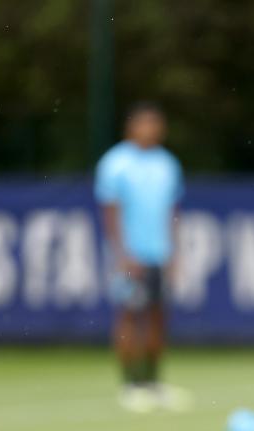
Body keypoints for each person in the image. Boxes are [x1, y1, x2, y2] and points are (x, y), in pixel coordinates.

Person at [94, 102, 190, 413]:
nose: (151, 130)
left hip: (159, 253)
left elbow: (171, 212)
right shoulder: (115, 163)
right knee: (130, 316)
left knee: (157, 316)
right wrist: (121, 254)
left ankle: (153, 382)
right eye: (144, 124)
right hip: (130, 255)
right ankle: (130, 384)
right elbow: (110, 212)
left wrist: (174, 253)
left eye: (155, 124)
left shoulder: (167, 164)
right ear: (130, 127)